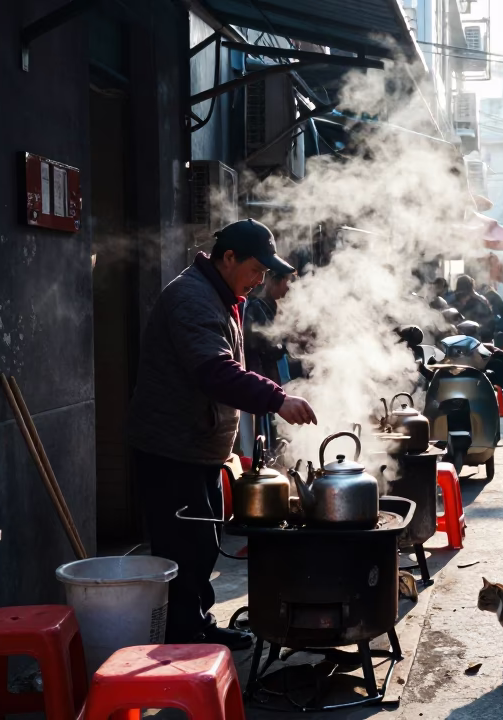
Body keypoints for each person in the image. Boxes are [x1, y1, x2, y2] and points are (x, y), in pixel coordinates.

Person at [126, 218, 317, 650]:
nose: (259, 280)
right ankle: (182, 637)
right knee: (183, 548)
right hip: (171, 447)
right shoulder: (191, 298)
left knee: (203, 543)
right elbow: (214, 370)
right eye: (255, 269)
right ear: (228, 258)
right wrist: (275, 398)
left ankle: (197, 624)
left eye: (265, 273)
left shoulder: (225, 295)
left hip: (199, 444)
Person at [239, 269, 294, 457]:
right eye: (286, 281)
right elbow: (257, 344)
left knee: (273, 431)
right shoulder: (256, 308)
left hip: (272, 380)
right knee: (263, 435)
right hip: (260, 380)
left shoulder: (271, 306)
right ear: (273, 282)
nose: (288, 287)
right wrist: (285, 345)